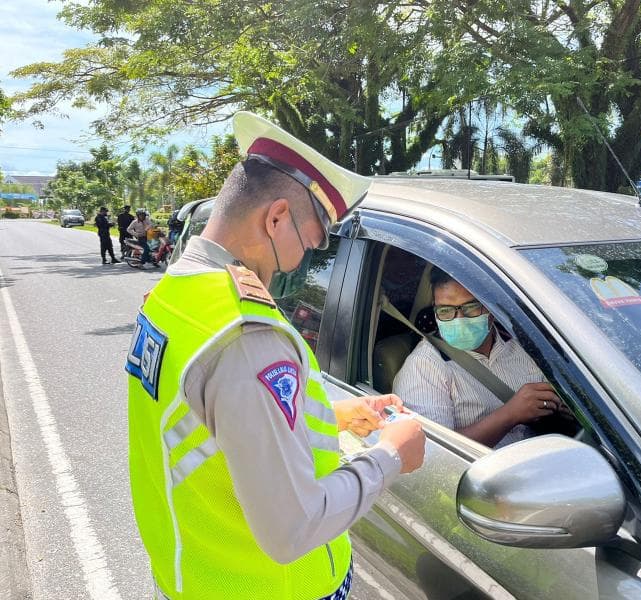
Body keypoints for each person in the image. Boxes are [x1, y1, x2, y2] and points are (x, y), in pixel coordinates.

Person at [126, 111, 426, 600]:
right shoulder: (246, 336)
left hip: (196, 572)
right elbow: (294, 528)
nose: (307, 257)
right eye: (313, 239)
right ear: (277, 217)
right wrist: (392, 455)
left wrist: (334, 416)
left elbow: (212, 426)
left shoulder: (176, 294)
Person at [393, 267, 570, 448]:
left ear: (490, 308)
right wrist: (510, 414)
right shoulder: (424, 366)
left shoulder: (521, 344)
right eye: (445, 310)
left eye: (471, 307)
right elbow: (434, 450)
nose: (459, 319)